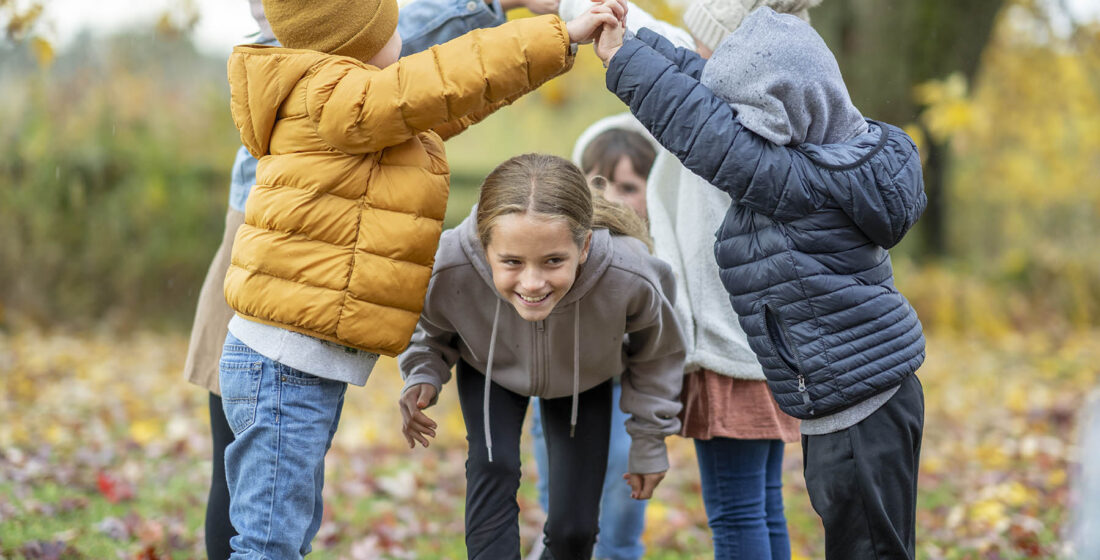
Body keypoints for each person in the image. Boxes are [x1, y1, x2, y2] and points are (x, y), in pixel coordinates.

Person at [215, 0, 625, 555]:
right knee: (270, 542)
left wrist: (554, 52)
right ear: (353, 42)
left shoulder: (351, 110)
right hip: (282, 368)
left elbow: (455, 94)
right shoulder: (334, 98)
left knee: (287, 530)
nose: (401, 38)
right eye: (389, 28)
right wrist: (556, 34)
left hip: (290, 365)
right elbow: (432, 82)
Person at [596, 6, 928, 559]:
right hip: (861, 398)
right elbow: (704, 91)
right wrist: (630, 41)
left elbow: (704, 131)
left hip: (859, 410)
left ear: (781, 110)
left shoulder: (801, 182)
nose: (736, 125)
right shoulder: (835, 145)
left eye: (745, 116)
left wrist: (621, 60)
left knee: (868, 549)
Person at [397, 153, 686, 559]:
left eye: (553, 261)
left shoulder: (629, 273)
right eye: (512, 262)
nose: (532, 283)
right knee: (492, 469)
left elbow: (658, 353)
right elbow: (429, 331)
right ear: (485, 246)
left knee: (574, 532)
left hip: (584, 380)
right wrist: (422, 376)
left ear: (584, 246)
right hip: (489, 368)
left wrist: (650, 441)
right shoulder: (450, 264)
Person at [524, 116, 657, 560]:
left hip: (624, 399)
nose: (611, 199)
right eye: (597, 184)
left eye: (628, 186)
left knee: (619, 522)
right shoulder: (561, 252)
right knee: (562, 519)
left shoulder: (655, 261)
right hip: (562, 396)